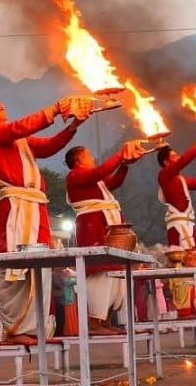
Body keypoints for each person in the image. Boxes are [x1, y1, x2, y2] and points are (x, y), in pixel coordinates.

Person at [0, 94, 93, 343]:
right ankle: (15, 329)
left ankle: (36, 328)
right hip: (17, 205)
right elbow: (20, 126)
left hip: (36, 205)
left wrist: (73, 126)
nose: (1, 104)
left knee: (41, 264)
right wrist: (57, 108)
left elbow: (49, 147)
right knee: (15, 263)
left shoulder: (19, 140)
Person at [64, 141, 144, 335]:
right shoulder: (75, 175)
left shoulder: (95, 181)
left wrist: (124, 164)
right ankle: (94, 322)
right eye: (88, 154)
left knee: (114, 272)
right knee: (100, 272)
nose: (92, 158)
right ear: (79, 159)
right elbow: (98, 173)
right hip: (92, 225)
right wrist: (120, 154)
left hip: (106, 223)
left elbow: (114, 182)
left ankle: (105, 320)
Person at [155, 140, 196, 252]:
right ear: (166, 162)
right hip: (177, 224)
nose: (178, 158)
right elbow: (184, 160)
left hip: (190, 223)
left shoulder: (181, 179)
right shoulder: (164, 175)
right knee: (181, 260)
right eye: (174, 156)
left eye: (177, 155)